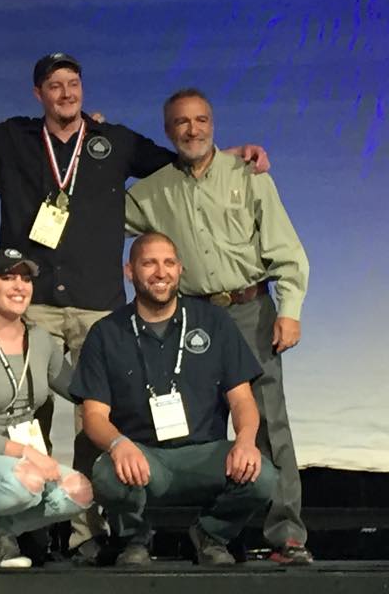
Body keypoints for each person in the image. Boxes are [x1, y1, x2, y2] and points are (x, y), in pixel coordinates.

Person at [0, 54, 268, 554]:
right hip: (31, 304)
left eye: (73, 84)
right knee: (24, 413)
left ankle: (87, 535)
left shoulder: (114, 141)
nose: (66, 93)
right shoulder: (12, 137)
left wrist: (231, 153)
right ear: (38, 94)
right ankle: (23, 531)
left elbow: (179, 162)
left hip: (97, 306)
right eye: (54, 85)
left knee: (93, 419)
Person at [125, 88, 311, 564]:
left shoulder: (249, 176)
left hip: (251, 310)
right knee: (201, 427)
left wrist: (289, 309)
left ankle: (286, 534)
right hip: (193, 317)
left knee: (268, 422)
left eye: (201, 120)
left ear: (213, 123)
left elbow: (287, 251)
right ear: (168, 131)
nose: (193, 129)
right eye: (182, 122)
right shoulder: (150, 192)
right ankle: (214, 534)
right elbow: (97, 215)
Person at [69, 233, 278, 566]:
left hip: (204, 455)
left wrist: (245, 441)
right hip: (143, 457)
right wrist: (119, 444)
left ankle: (210, 534)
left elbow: (241, 399)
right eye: (149, 263)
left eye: (168, 263)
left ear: (180, 269)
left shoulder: (214, 322)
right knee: (107, 474)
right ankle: (134, 539)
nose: (160, 272)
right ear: (130, 271)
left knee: (261, 474)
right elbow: (93, 415)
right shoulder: (106, 333)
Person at [0, 248, 93, 569]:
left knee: (79, 492)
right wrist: (27, 454)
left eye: (26, 279)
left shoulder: (41, 340)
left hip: (25, 457)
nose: (20, 286)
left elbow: (78, 390)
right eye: (8, 278)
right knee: (28, 482)